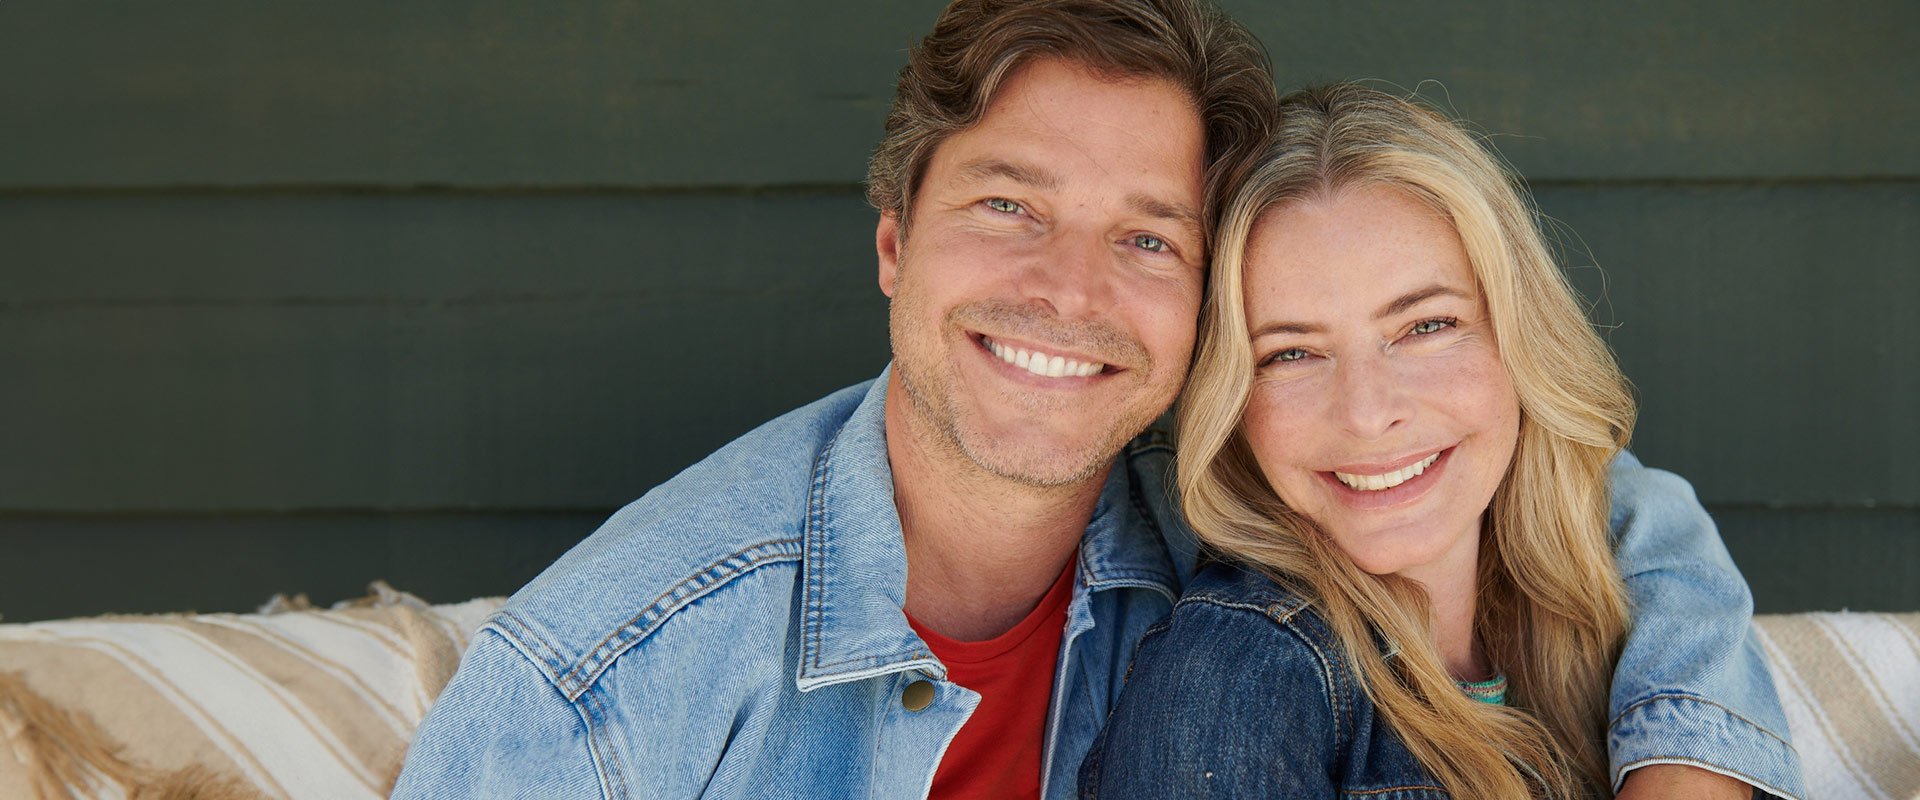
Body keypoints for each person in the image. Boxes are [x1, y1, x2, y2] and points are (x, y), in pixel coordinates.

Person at [393, 3, 1795, 798]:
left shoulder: (1236, 497)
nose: (1070, 292)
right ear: (892, 243)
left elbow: (1582, 499)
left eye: (1145, 239)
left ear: (1198, 325)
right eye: (1010, 207)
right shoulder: (610, 676)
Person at [1078, 83, 1804, 799]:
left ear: (1522, 337)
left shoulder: (1602, 601)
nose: (1366, 414)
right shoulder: (1236, 681)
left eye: (1426, 326)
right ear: (1231, 402)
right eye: (1290, 353)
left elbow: (1636, 503)